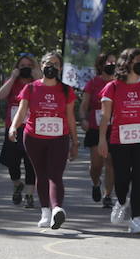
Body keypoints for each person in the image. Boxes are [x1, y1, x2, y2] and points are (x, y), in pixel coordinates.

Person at [8, 50, 77, 229]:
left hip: (59, 138)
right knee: (41, 174)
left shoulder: (66, 90)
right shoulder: (30, 88)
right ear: (41, 66)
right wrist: (13, 127)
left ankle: (57, 210)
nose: (51, 67)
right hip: (33, 137)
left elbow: (70, 117)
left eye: (55, 64)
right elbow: (22, 111)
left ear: (60, 68)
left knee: (55, 174)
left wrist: (75, 141)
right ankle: (45, 211)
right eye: (48, 63)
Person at [97, 46, 140, 232]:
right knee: (121, 179)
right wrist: (102, 140)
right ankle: (122, 201)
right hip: (119, 140)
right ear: (127, 63)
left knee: (138, 179)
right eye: (137, 61)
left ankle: (137, 217)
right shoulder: (112, 87)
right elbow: (105, 118)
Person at [0, 54, 38, 207]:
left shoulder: (37, 83)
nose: (25, 68)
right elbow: (0, 95)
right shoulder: (13, 83)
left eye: (28, 65)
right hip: (13, 128)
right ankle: (17, 184)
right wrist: (13, 78)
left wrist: (36, 75)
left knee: (30, 163)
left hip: (32, 128)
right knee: (12, 163)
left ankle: (29, 195)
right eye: (22, 66)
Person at [79, 52, 117, 207]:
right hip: (95, 128)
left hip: (114, 128)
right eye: (109, 63)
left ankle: (107, 195)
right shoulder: (93, 83)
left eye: (115, 63)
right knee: (96, 164)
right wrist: (82, 119)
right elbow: (83, 107)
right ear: (101, 65)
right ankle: (96, 182)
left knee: (111, 162)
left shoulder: (119, 83)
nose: (112, 66)